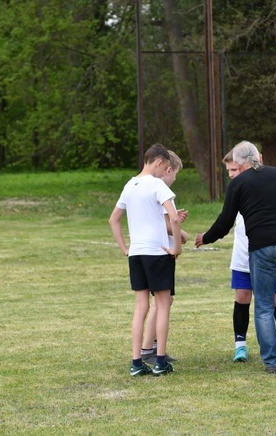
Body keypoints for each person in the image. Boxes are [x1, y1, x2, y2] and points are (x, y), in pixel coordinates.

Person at [195, 141, 276, 375]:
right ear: (258, 157)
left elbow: (225, 221)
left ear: (238, 162)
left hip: (262, 246)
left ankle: (271, 362)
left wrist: (205, 237)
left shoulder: (239, 183)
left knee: (264, 305)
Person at [108, 143, 182, 377]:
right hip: (157, 253)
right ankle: (160, 361)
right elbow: (174, 219)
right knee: (162, 306)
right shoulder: (156, 185)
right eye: (165, 168)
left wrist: (124, 248)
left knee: (141, 307)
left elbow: (114, 219)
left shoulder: (130, 185)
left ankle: (136, 362)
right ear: (159, 163)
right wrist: (177, 248)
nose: (164, 174)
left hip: (137, 254)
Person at [222, 150, 276, 363]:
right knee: (242, 296)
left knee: (273, 298)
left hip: (263, 254)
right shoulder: (235, 189)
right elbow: (225, 219)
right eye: (229, 171)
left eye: (234, 169)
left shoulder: (262, 185)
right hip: (242, 257)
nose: (232, 174)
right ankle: (240, 346)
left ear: (245, 165)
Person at [140, 151, 189, 364]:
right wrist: (183, 236)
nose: (174, 180)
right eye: (175, 175)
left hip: (153, 253)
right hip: (160, 253)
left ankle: (154, 347)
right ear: (167, 170)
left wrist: (174, 216)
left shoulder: (147, 188)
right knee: (162, 302)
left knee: (164, 300)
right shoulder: (159, 189)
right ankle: (148, 349)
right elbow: (166, 225)